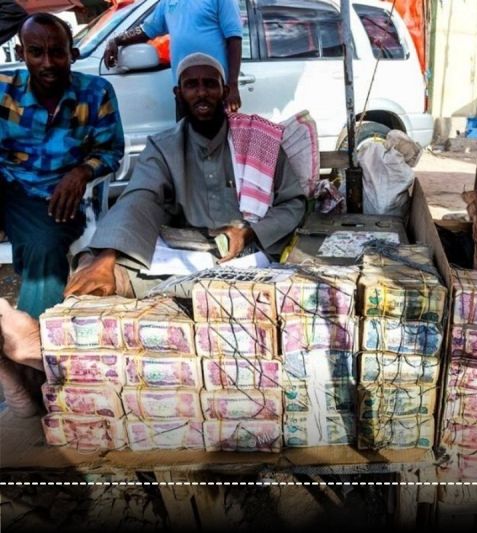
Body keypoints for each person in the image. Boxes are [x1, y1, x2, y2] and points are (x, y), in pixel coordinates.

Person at [64, 53, 306, 298]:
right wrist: (107, 257)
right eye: (192, 85)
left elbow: (293, 203)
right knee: (102, 273)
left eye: (210, 84)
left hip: (253, 254)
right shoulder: (164, 148)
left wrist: (248, 232)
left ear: (225, 90)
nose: (202, 93)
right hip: (187, 258)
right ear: (178, 94)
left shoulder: (259, 141)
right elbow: (139, 200)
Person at [0, 13, 124, 319]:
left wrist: (81, 172)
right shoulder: (4, 90)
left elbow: (112, 150)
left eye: (57, 52)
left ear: (72, 53)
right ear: (21, 54)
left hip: (53, 197)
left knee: (44, 246)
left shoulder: (96, 94)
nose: (47, 63)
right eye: (36, 52)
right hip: (6, 185)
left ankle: (35, 341)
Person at [102, 0, 243, 113]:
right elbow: (146, 29)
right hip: (185, 91)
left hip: (214, 89)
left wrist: (232, 85)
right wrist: (116, 40)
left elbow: (234, 38)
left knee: (220, 142)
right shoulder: (167, 2)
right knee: (187, 143)